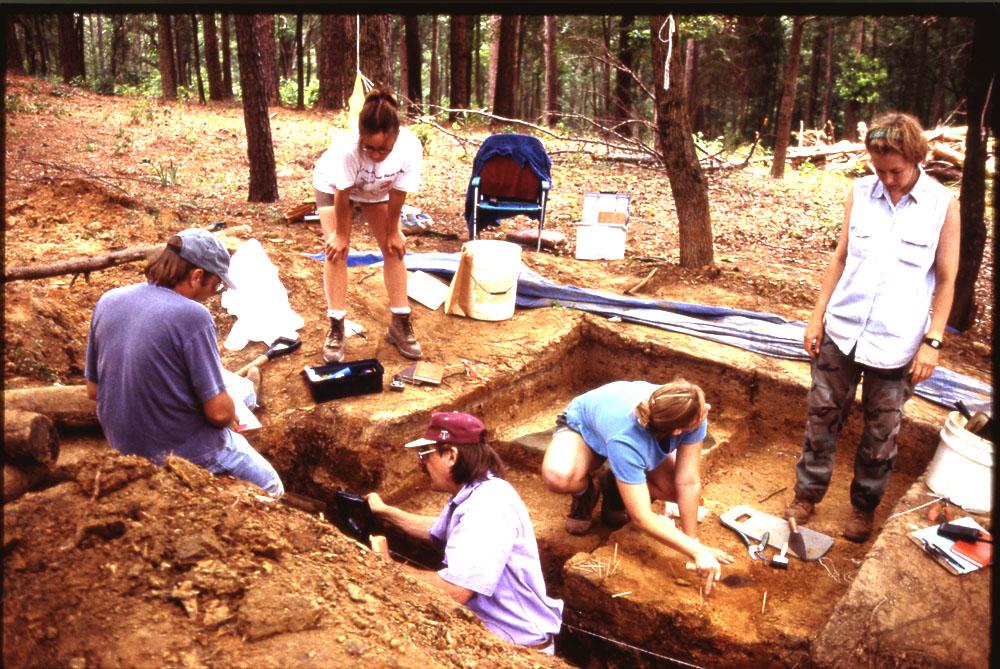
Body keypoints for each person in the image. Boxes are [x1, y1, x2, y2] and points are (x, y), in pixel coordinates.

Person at [785, 112, 960, 543]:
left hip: (898, 343)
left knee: (881, 433)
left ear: (916, 158)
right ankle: (806, 496)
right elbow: (841, 258)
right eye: (879, 170)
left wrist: (932, 341)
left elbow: (946, 279)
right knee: (822, 418)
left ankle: (864, 507)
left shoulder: (942, 205)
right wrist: (816, 315)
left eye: (896, 171)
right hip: (843, 332)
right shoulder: (861, 193)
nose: (888, 180)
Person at [84, 228, 284, 497]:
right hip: (180, 451)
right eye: (215, 286)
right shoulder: (193, 316)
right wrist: (223, 412)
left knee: (242, 391)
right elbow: (219, 415)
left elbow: (94, 391)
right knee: (272, 485)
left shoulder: (109, 300)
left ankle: (245, 393)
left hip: (122, 444)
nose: (212, 294)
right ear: (196, 276)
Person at [366, 412, 563, 654]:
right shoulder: (475, 491)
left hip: (516, 649)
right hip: (496, 636)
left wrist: (387, 566)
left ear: (450, 455)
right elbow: (436, 529)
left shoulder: (489, 506)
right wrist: (385, 512)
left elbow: (455, 591)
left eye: (425, 454)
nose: (421, 462)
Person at [541, 379, 733, 594]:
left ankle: (614, 487)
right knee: (558, 477)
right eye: (702, 410)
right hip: (585, 425)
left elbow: (687, 481)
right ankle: (586, 492)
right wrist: (697, 551)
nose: (707, 409)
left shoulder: (692, 412)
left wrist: (692, 544)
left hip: (626, 434)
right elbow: (641, 517)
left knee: (673, 490)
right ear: (678, 430)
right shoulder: (626, 440)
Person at [312, 88, 423, 363]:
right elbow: (343, 194)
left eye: (382, 149)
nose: (374, 154)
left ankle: (400, 322)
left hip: (378, 188)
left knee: (393, 248)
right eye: (368, 147)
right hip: (334, 187)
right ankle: (336, 325)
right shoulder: (347, 150)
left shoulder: (409, 149)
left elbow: (398, 193)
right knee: (337, 250)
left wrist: (394, 230)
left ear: (395, 137)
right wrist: (340, 234)